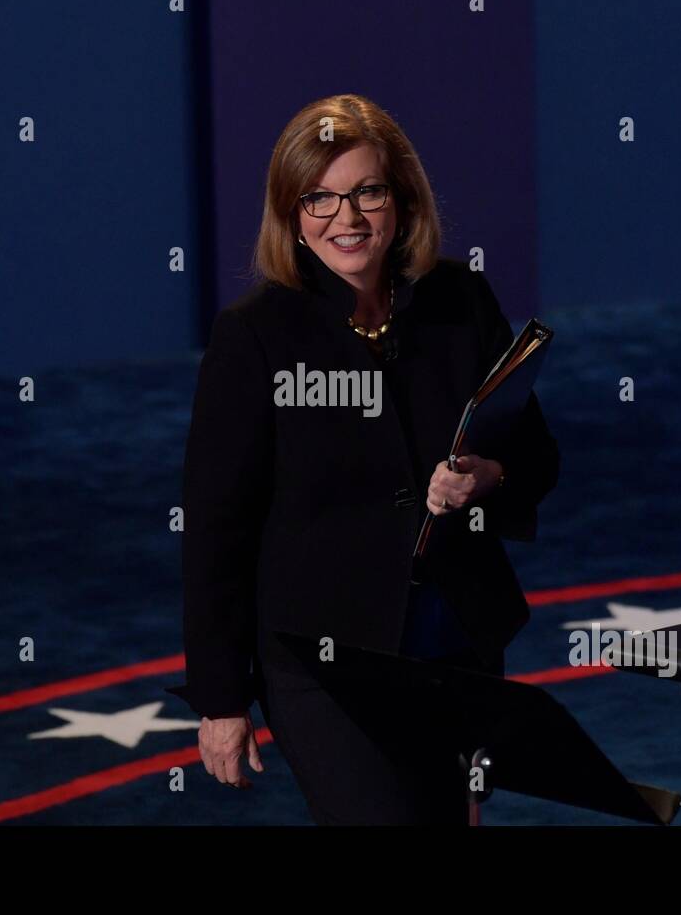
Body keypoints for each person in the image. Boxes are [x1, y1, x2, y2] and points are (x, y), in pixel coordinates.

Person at [166, 93, 560, 824]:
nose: (345, 219)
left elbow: (534, 454)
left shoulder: (459, 299)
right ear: (290, 213)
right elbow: (216, 530)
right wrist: (221, 699)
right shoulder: (254, 337)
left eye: (366, 192)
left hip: (453, 640)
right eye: (318, 197)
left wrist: (487, 477)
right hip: (323, 660)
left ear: (401, 199)